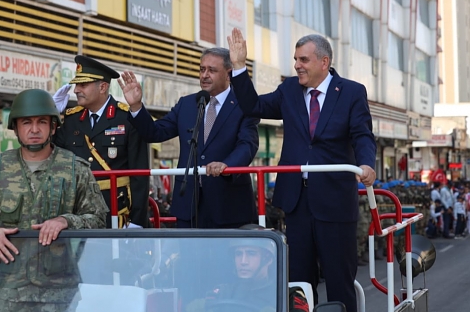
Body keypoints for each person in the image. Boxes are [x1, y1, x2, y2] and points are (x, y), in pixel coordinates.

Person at [227, 28, 376, 312]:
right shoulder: (289, 90)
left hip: (334, 201)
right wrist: (238, 67)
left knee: (339, 283)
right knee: (299, 284)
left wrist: (366, 163)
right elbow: (253, 105)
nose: (297, 65)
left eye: (304, 60)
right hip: (296, 202)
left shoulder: (352, 92)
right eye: (295, 59)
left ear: (324, 61)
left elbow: (362, 135)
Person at [0, 89, 108, 311]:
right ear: (15, 128)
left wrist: (66, 221)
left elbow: (99, 219)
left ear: (53, 127)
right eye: (26, 123)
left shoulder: (75, 169)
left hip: (58, 295)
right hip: (5, 292)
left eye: (42, 122)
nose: (34, 130)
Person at [119, 47, 260, 228]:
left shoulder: (244, 105)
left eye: (212, 70)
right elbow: (155, 132)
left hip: (228, 204)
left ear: (228, 74)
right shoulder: (187, 104)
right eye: (202, 69)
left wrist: (227, 165)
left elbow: (247, 145)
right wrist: (137, 105)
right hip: (188, 206)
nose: (205, 75)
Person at [54, 55, 150, 228]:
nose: (76, 90)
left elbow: (140, 175)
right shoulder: (72, 119)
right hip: (79, 213)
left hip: (116, 213)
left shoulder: (127, 118)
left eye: (83, 85)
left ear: (103, 87)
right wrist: (50, 116)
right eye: (76, 85)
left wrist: (137, 221)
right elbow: (49, 151)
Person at [206, 237, 278, 311]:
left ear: (268, 259)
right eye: (238, 254)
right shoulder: (224, 292)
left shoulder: (281, 295)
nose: (243, 261)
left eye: (251, 253)